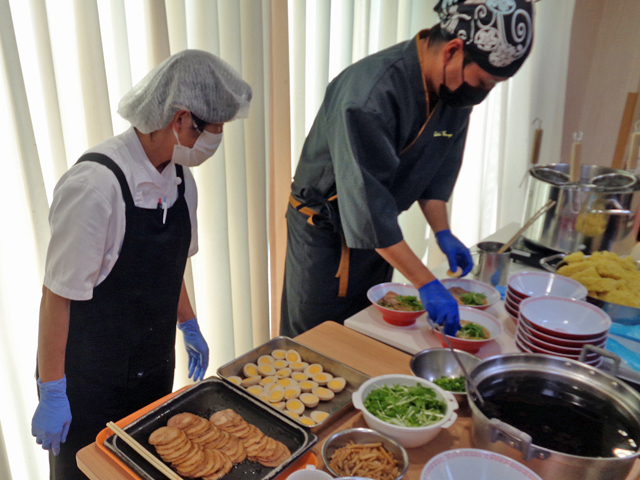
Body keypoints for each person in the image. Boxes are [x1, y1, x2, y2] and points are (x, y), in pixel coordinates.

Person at [31, 49, 252, 480]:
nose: (216, 142)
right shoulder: (96, 187)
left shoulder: (180, 180)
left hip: (150, 367)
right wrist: (52, 390)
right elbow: (56, 296)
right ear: (180, 119)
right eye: (214, 130)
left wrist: (189, 324)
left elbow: (168, 269)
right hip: (88, 382)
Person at [280, 0, 534, 338]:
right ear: (452, 51)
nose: (484, 93)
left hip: (380, 236)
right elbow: (367, 210)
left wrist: (443, 232)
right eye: (485, 82)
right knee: (317, 340)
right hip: (327, 235)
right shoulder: (369, 97)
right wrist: (425, 282)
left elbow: (436, 171)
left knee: (366, 330)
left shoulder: (454, 91)